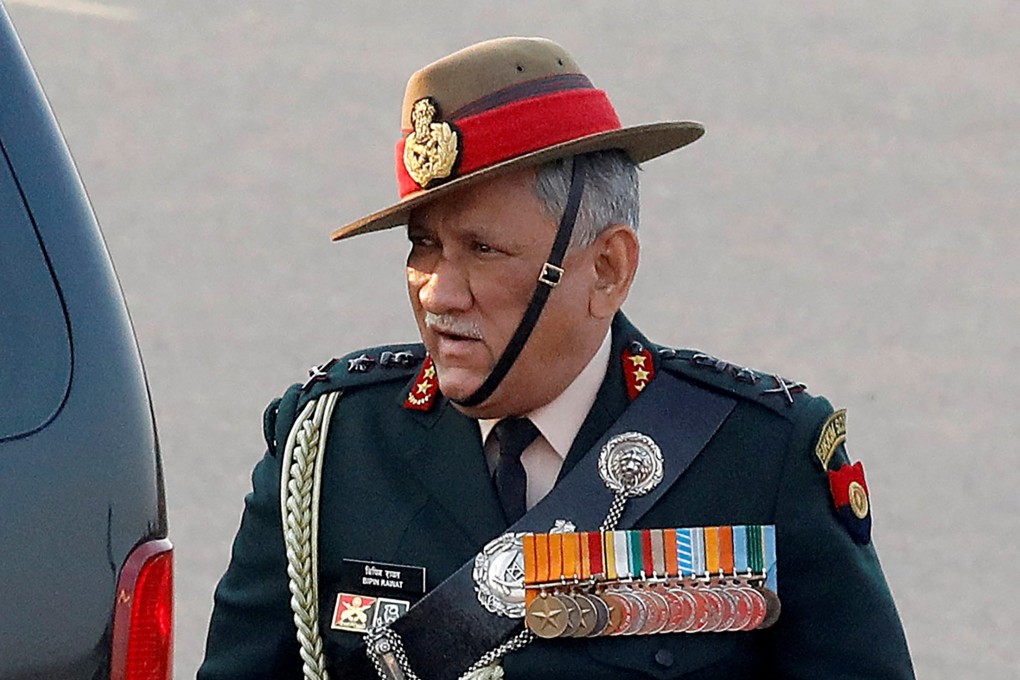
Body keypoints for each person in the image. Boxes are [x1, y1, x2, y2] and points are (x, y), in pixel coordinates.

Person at [199, 37, 915, 680]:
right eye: (424, 246)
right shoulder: (331, 448)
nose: (440, 293)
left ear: (606, 269)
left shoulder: (759, 458)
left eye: (483, 250)